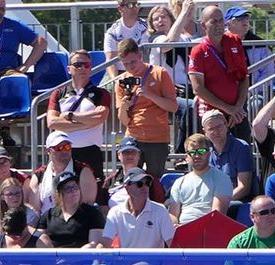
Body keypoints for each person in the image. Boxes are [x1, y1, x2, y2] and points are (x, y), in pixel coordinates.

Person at [47, 49, 112, 194]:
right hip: (64, 152)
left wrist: (70, 116)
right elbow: (52, 122)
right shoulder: (58, 93)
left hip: (90, 151)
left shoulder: (101, 93)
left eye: (86, 65)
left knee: (94, 197)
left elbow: (100, 118)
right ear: (69, 69)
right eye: (77, 64)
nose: (82, 68)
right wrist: (87, 122)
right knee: (63, 194)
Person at [114, 38, 177, 181]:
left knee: (154, 181)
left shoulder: (160, 73)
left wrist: (149, 95)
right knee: (130, 181)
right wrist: (124, 106)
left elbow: (173, 106)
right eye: (125, 64)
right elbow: (124, 120)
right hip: (133, 138)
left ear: (140, 56)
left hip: (157, 138)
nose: (130, 67)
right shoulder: (121, 81)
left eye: (133, 62)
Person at [188, 5, 250, 138]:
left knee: (243, 151)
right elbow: (198, 89)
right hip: (212, 114)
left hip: (237, 113)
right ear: (204, 26)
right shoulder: (198, 51)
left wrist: (238, 108)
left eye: (220, 20)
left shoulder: (234, 42)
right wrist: (228, 109)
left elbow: (244, 78)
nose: (219, 25)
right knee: (215, 155)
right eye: (213, 21)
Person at [27, 130, 98, 213]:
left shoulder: (83, 171)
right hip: (46, 222)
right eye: (59, 148)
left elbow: (88, 205)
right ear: (48, 151)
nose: (64, 151)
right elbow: (36, 210)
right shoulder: (39, 175)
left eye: (67, 147)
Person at [103, 167, 175, 248]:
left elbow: (172, 243)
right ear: (127, 188)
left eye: (147, 183)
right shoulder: (115, 212)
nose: (145, 187)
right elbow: (105, 243)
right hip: (127, 261)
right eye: (139, 184)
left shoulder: (160, 210)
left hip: (153, 261)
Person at [167, 134, 231, 224]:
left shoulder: (222, 178)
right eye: (192, 152)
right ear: (187, 157)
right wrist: (174, 226)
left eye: (201, 151)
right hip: (182, 230)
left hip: (208, 230)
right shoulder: (179, 182)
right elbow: (173, 215)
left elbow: (217, 215)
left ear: (209, 154)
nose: (197, 156)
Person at [202, 109, 254, 216]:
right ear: (205, 132)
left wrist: (220, 201)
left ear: (226, 125)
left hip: (236, 200)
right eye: (211, 129)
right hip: (213, 200)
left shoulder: (241, 147)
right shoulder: (206, 151)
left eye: (219, 127)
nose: (216, 132)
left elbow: (243, 188)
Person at [39, 172, 105, 248]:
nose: (73, 191)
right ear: (58, 194)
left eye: (75, 187)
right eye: (68, 188)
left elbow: (94, 244)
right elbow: (39, 240)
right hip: (54, 258)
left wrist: (72, 257)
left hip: (82, 257)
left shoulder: (93, 214)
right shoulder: (48, 216)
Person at [0, 177, 38, 247]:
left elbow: (28, 239)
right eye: (10, 194)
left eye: (17, 193)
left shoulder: (31, 215)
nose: (15, 197)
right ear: (2, 196)